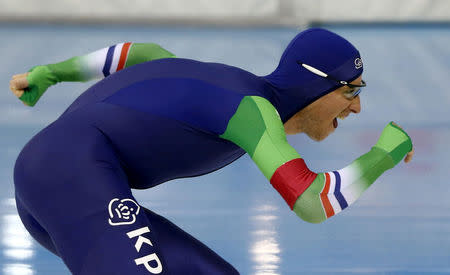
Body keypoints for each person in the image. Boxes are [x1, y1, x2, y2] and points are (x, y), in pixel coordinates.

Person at [9, 28, 414, 275]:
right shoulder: (253, 111)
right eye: (351, 89)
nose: (357, 106)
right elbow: (312, 201)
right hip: (66, 172)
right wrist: (386, 153)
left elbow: (142, 54)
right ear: (315, 85)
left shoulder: (220, 85)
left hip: (62, 182)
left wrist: (49, 74)